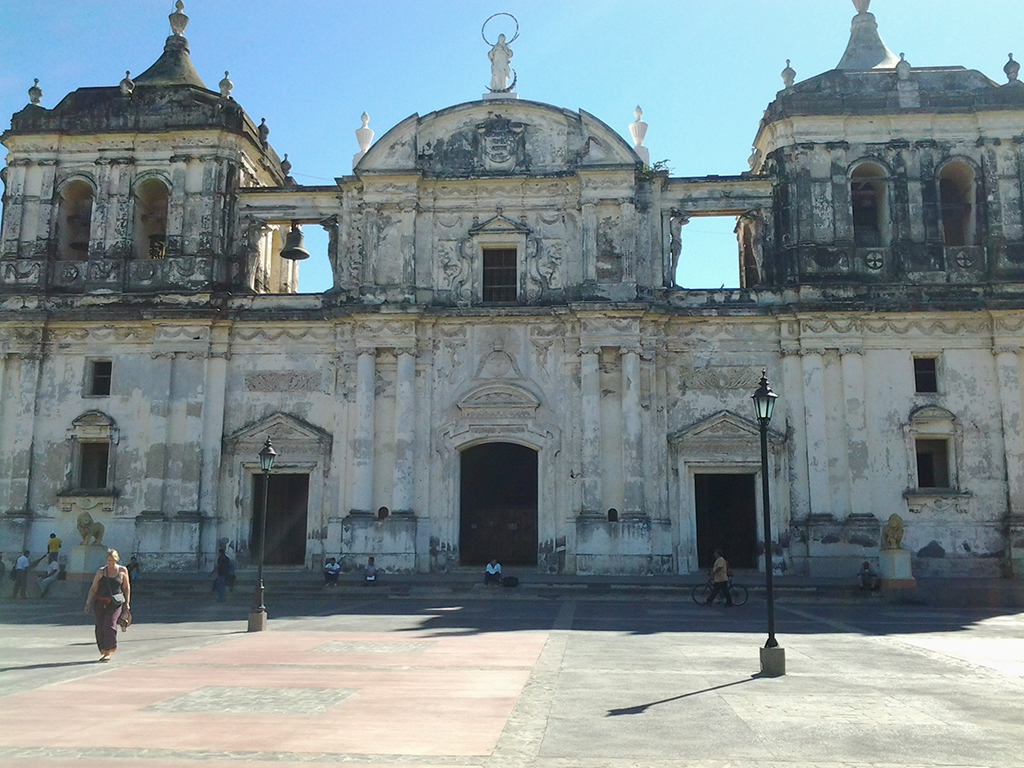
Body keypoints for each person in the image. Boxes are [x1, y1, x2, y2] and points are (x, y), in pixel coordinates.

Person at [84, 548, 130, 662]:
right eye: (109, 560)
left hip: (115, 603)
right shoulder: (101, 571)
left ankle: (109, 650)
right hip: (100, 602)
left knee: (109, 624)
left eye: (113, 560)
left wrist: (127, 604)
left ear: (117, 560)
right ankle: (104, 651)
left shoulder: (122, 570)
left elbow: (126, 587)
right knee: (100, 626)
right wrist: (88, 602)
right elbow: (94, 588)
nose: (111, 563)